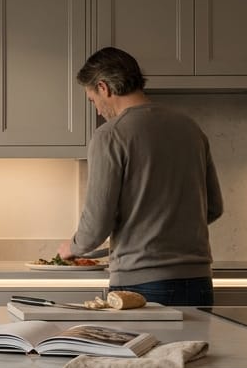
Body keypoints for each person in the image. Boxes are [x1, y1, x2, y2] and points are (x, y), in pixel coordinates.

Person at [56, 47, 224, 307]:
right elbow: (213, 208)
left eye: (92, 100)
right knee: (193, 350)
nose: (98, 111)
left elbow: (96, 225)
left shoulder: (110, 135)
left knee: (141, 349)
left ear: (104, 88)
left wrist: (72, 247)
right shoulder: (189, 128)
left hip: (141, 284)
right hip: (199, 281)